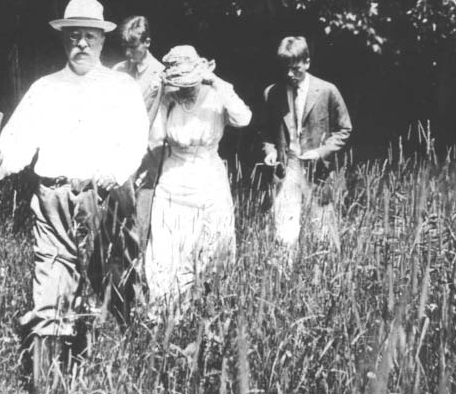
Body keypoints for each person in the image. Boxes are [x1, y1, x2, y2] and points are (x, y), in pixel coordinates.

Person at [0, 0, 148, 354]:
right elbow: (18, 140)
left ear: (103, 39)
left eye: (90, 35)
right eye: (74, 35)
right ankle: (49, 378)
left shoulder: (122, 87)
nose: (82, 43)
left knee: (113, 284)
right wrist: (0, 160)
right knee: (50, 289)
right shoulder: (45, 88)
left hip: (103, 198)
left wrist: (115, 171)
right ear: (64, 39)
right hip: (53, 200)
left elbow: (137, 140)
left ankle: (116, 366)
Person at [145, 45, 252, 309]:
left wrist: (216, 81)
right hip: (173, 180)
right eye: (180, 83)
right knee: (168, 251)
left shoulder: (215, 96)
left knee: (211, 246)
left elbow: (243, 118)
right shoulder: (169, 100)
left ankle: (205, 309)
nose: (186, 88)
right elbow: (154, 136)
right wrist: (158, 95)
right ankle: (168, 312)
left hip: (209, 179)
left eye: (190, 81)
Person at [261, 36, 352, 257]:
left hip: (316, 172)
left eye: (295, 69)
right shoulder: (272, 93)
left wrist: (320, 152)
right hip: (286, 170)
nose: (290, 75)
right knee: (283, 232)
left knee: (321, 232)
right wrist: (271, 151)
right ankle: (283, 279)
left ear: (307, 62)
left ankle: (321, 278)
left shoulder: (328, 90)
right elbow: (265, 132)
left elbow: (345, 129)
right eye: (286, 70)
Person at [112, 16, 165, 264]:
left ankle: (139, 283)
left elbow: (153, 119)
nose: (128, 52)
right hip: (118, 155)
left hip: (148, 157)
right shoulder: (118, 71)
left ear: (147, 42)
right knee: (115, 223)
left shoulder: (160, 75)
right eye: (125, 47)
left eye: (133, 46)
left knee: (141, 223)